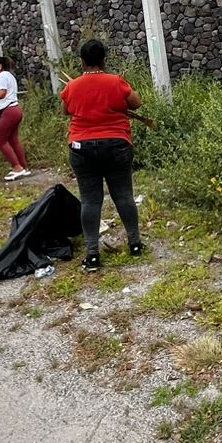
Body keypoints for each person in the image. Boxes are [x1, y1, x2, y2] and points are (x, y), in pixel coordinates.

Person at [59, 39, 143, 271]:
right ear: (104, 59)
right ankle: (135, 244)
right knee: (124, 195)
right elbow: (136, 103)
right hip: (116, 144)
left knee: (90, 200)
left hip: (82, 147)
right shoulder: (116, 81)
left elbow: (67, 110)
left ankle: (92, 254)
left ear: (82, 61)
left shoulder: (72, 86)